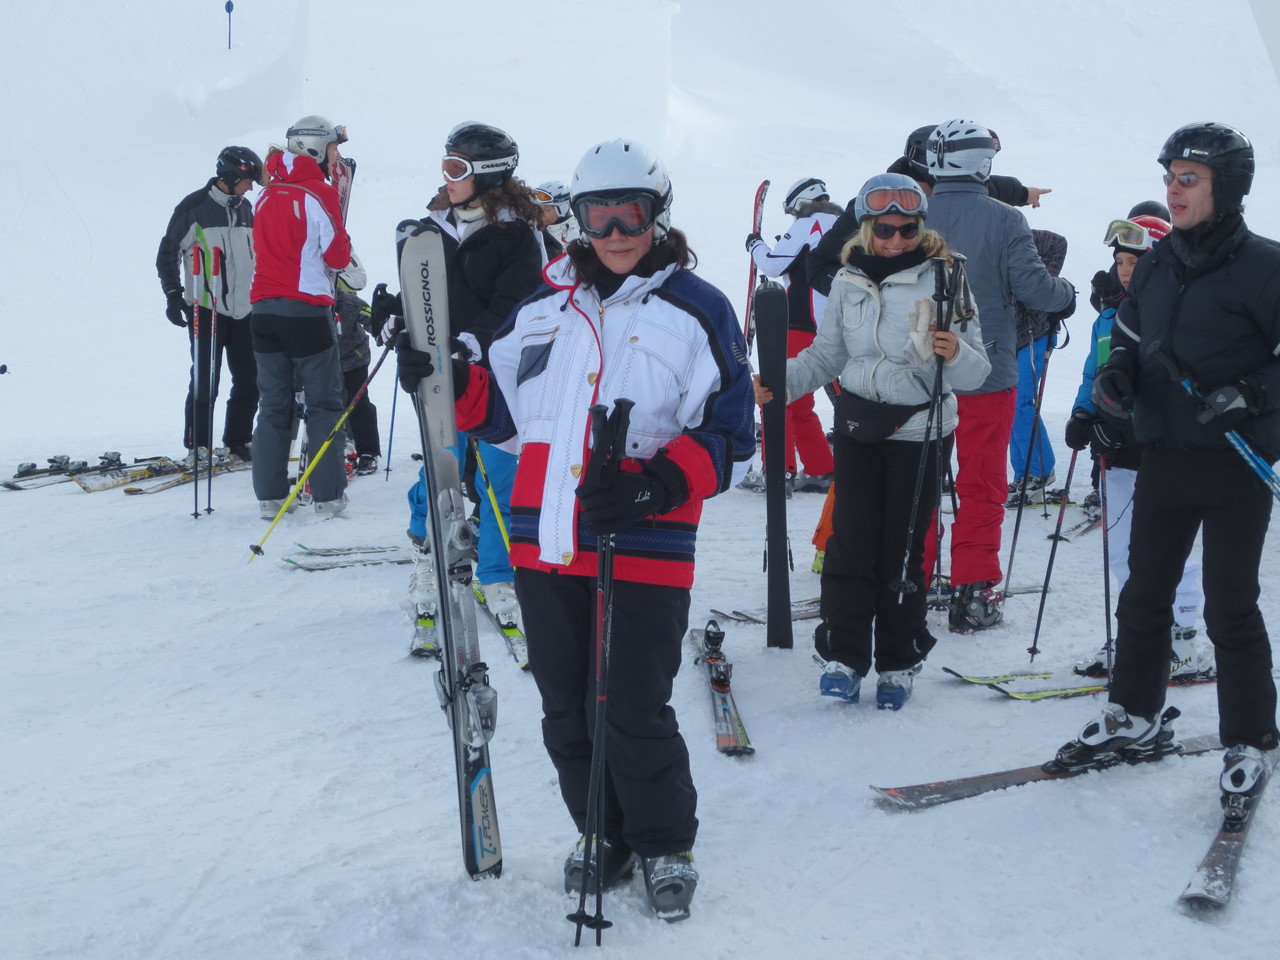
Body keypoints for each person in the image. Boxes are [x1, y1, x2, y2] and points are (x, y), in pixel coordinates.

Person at [400, 138, 754, 920]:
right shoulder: (540, 310)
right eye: (601, 214)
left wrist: (656, 484)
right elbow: (499, 417)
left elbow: (732, 431)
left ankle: (663, 841)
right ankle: (603, 831)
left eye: (634, 213)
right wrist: (445, 381)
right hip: (544, 539)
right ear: (580, 219)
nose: (618, 229)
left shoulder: (698, 307)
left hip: (645, 542)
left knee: (632, 703)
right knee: (565, 704)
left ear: (658, 218)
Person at [1054, 122, 1279, 806]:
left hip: (1238, 462)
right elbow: (1128, 337)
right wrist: (1117, 379)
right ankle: (1136, 713)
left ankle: (1249, 737)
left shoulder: (1266, 267)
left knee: (1230, 605)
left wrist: (1249, 394)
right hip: (1166, 457)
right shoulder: (1156, 262)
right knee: (1143, 593)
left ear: (1227, 187)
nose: (1174, 192)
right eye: (1170, 178)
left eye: (1190, 180)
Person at [756, 173, 990, 710]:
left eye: (907, 230)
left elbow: (977, 373)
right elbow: (826, 356)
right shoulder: (846, 281)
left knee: (903, 546)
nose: (896, 240)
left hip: (921, 431)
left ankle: (898, 660)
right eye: (885, 230)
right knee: (850, 542)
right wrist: (778, 381)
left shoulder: (948, 279)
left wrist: (954, 351)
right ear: (866, 228)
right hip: (860, 427)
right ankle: (844, 654)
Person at [380, 122, 545, 648]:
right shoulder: (429, 231)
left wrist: (469, 344)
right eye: (445, 166)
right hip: (436, 378)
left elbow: (516, 306)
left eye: (456, 168)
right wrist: (393, 320)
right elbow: (420, 298)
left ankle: (496, 576)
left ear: (487, 176)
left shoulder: (519, 238)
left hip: (494, 376)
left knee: (500, 476)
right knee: (442, 464)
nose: (446, 178)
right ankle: (431, 554)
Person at [917, 120, 1075, 634]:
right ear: (981, 163)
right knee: (981, 482)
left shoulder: (908, 215)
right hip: (986, 372)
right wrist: (1067, 292)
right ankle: (973, 591)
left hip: (917, 374)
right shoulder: (1004, 219)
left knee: (917, 480)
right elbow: (1035, 289)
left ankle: (912, 581)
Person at [1062, 214, 1209, 680]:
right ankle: (1138, 631)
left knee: (1171, 545)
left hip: (1162, 446)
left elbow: (1173, 384)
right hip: (1116, 450)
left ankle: (1184, 636)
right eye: (1121, 261)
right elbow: (1095, 371)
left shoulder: (1180, 308)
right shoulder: (1108, 313)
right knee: (1123, 547)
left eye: (1135, 261)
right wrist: (1085, 413)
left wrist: (1126, 422)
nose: (1126, 270)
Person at [808, 123, 1052, 298]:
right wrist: (868, 294)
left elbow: (989, 187)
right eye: (944, 181)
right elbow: (817, 265)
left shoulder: (942, 190)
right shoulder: (872, 207)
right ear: (927, 177)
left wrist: (1025, 193)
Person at [249, 115, 352, 518]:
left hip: (264, 311)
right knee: (325, 404)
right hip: (307, 310)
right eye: (332, 148)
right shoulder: (319, 192)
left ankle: (270, 497)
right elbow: (337, 256)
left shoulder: (265, 193)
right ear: (314, 148)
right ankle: (328, 497)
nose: (336, 156)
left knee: (274, 405)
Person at [156, 146, 262, 462]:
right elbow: (167, 254)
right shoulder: (194, 208)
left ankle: (238, 442)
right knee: (206, 381)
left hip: (245, 310)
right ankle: (198, 446)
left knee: (249, 380)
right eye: (247, 180)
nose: (251, 187)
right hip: (207, 308)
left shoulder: (247, 210)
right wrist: (174, 295)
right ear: (229, 176)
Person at [741, 178, 840, 493]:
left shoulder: (809, 222)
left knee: (775, 395)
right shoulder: (846, 224)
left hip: (802, 320)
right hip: (839, 323)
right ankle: (821, 468)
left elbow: (772, 264)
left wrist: (755, 244)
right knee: (800, 402)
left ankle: (777, 472)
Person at [1005, 228, 1067, 505]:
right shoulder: (974, 235)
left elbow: (1057, 243)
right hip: (1004, 334)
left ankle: (1041, 471)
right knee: (1008, 401)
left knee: (1020, 401)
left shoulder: (1012, 231)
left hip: (1033, 330)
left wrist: (1041, 289)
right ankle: (1024, 472)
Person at [331, 253, 381, 476]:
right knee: (325, 405)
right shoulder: (309, 305)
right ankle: (331, 448)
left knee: (358, 404)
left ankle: (368, 452)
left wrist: (387, 332)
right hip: (323, 363)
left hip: (354, 359)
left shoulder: (349, 303)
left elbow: (373, 320)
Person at [533, 179, 578, 257]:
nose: (540, 214)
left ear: (562, 209)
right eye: (538, 209)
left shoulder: (577, 235)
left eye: (547, 210)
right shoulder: (536, 229)